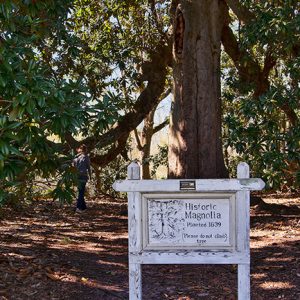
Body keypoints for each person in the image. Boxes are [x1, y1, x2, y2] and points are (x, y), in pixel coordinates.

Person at [73, 144, 91, 213]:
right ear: (85, 150)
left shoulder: (76, 157)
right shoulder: (86, 157)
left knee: (81, 191)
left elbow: (73, 166)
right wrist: (90, 176)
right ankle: (78, 208)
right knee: (81, 192)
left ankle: (84, 208)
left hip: (77, 176)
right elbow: (88, 167)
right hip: (83, 176)